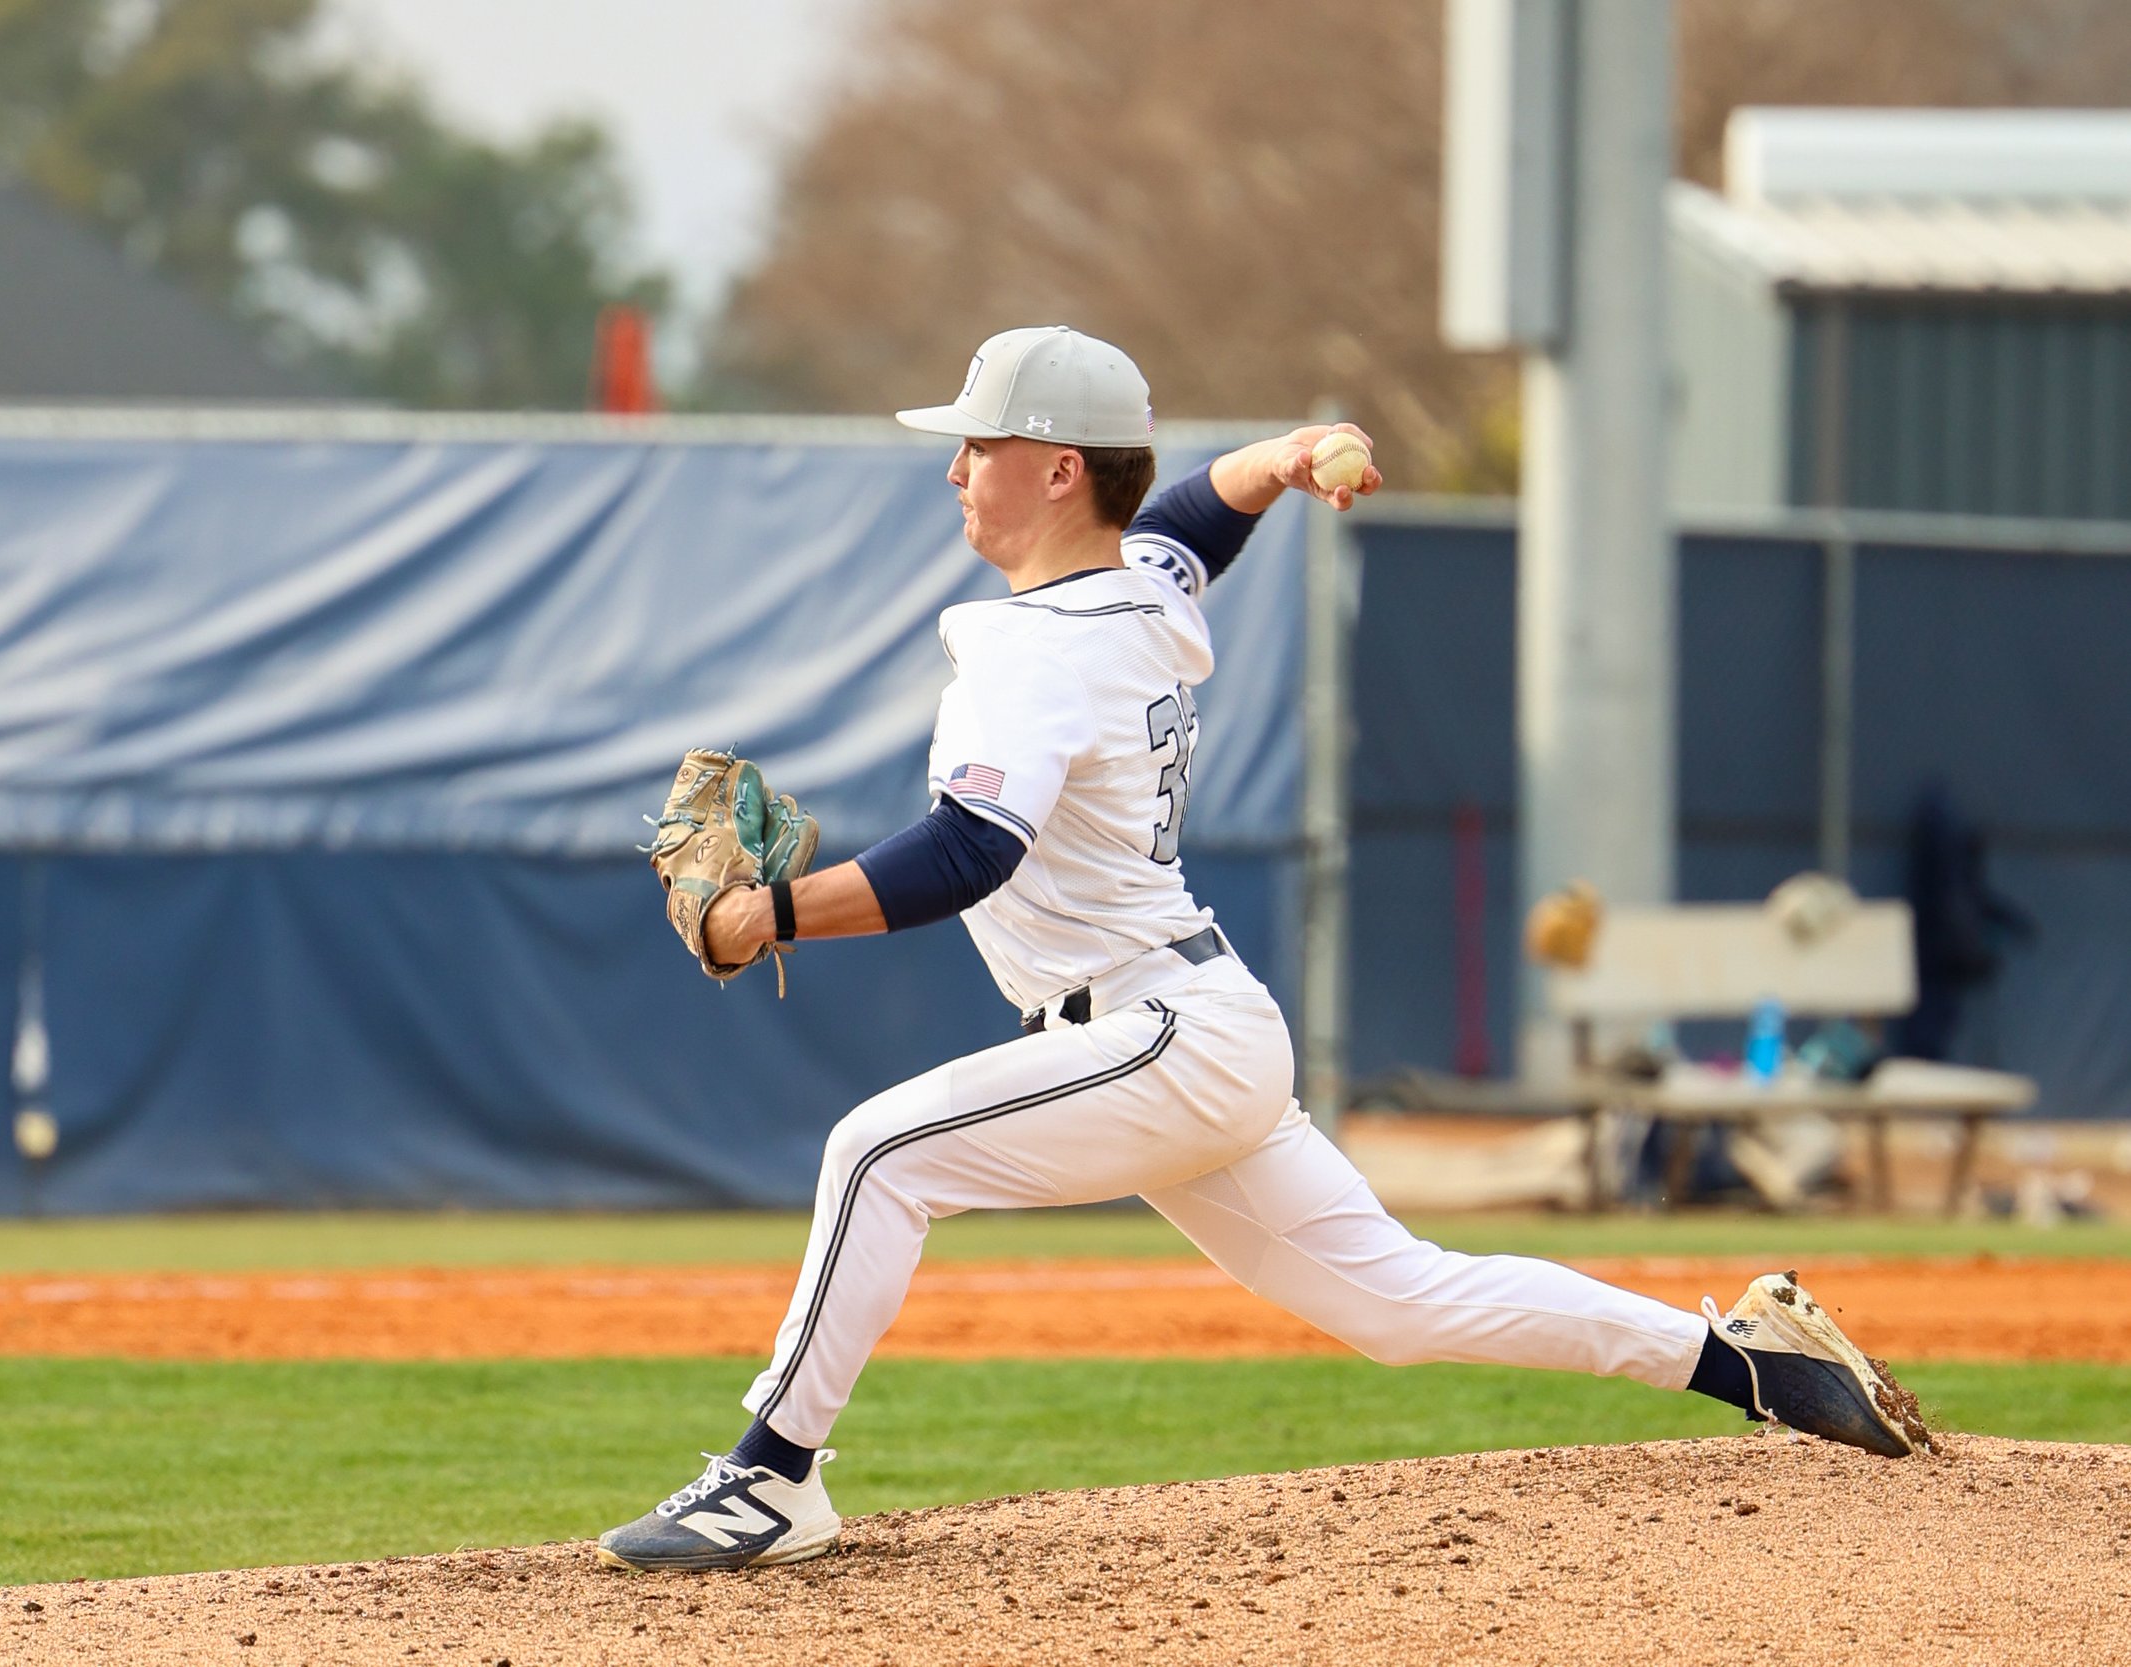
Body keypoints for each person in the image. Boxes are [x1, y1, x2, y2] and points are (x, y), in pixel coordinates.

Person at [597, 326, 1924, 1574]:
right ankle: (1750, 1363)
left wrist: (761, 917)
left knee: (878, 1154)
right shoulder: (1136, 593)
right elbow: (1189, 518)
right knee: (1401, 1304)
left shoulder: (1037, 649)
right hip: (1194, 1024)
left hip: (1153, 1034)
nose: (955, 469)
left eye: (980, 444)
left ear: (1058, 471)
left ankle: (772, 1476)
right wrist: (1284, 459)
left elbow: (968, 854)